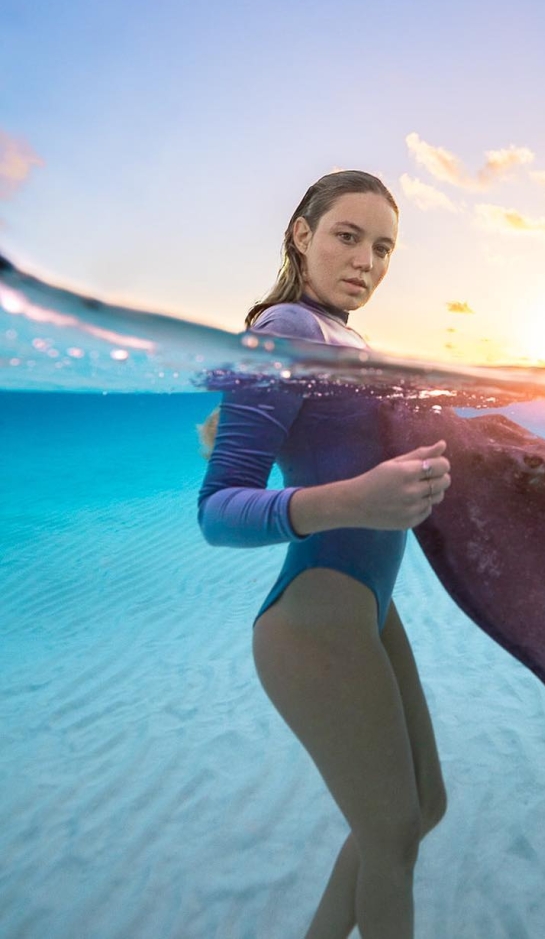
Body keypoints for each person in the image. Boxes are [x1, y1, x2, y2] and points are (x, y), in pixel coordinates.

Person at [196, 170, 450, 939]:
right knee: (391, 836)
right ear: (301, 234)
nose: (366, 262)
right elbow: (217, 510)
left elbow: (244, 436)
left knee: (420, 810)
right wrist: (350, 500)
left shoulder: (347, 342)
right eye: (347, 236)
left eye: (382, 248)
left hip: (366, 608)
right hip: (314, 620)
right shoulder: (289, 328)